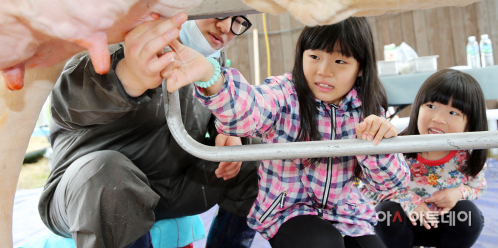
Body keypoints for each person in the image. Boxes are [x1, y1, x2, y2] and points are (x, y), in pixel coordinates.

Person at [162, 16, 410, 248]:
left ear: (361, 68)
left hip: (347, 212)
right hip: (289, 210)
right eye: (314, 56)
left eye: (340, 61)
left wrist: (378, 146)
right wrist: (210, 75)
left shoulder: (366, 111)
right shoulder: (285, 94)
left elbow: (392, 186)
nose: (324, 70)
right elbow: (249, 109)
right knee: (322, 242)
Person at [38, 6, 260, 248]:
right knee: (108, 174)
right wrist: (127, 77)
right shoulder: (112, 43)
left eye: (237, 20)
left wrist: (227, 132)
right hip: (88, 197)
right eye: (218, 11)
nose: (226, 27)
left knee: (255, 156)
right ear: (185, 2)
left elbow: (226, 113)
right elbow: (70, 101)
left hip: (168, 189)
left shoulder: (211, 65)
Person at [362, 69, 488, 248]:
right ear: (417, 107)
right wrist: (410, 202)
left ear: (470, 123)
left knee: (470, 216)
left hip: (444, 224)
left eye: (453, 113)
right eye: (431, 106)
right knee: (385, 213)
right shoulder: (398, 150)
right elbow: (369, 189)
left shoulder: (467, 157)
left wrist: (459, 193)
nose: (438, 119)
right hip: (404, 224)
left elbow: (478, 187)